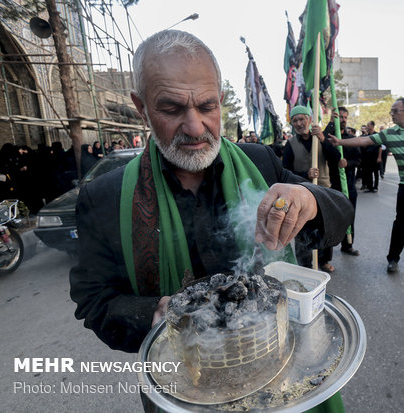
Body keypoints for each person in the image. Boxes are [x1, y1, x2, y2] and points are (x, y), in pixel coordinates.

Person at [69, 30, 352, 413]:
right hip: (185, 392)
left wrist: (310, 200)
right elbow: (94, 301)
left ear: (220, 100)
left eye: (206, 106)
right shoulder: (104, 198)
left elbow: (339, 213)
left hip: (280, 376)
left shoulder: (261, 163)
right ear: (141, 107)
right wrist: (164, 314)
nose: (195, 127)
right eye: (171, 109)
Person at [328, 97, 404, 273]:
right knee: (401, 223)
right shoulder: (389, 134)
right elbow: (365, 140)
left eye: (396, 111)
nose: (392, 114)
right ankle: (393, 258)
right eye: (391, 111)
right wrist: (341, 142)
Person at [282, 105, 342, 273]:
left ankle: (323, 260)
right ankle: (305, 265)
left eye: (302, 119)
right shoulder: (291, 144)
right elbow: (285, 171)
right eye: (295, 121)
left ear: (309, 119)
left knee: (325, 227)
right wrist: (305, 173)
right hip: (302, 191)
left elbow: (336, 158)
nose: (299, 123)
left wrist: (323, 139)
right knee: (303, 229)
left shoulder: (320, 138)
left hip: (324, 190)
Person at [324, 106, 360, 256]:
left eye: (345, 117)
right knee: (331, 219)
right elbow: (322, 141)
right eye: (340, 117)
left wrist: (348, 163)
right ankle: (327, 253)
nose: (343, 120)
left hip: (349, 185)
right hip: (332, 185)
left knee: (349, 216)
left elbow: (358, 160)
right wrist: (331, 123)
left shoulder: (351, 139)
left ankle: (348, 245)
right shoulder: (328, 138)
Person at [361, 121, 381, 193]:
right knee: (368, 172)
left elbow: (380, 147)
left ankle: (375, 187)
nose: (367, 127)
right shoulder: (367, 135)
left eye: (368, 125)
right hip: (367, 156)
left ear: (372, 126)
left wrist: (379, 157)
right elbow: (364, 146)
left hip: (375, 156)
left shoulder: (377, 135)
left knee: (375, 172)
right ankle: (369, 187)